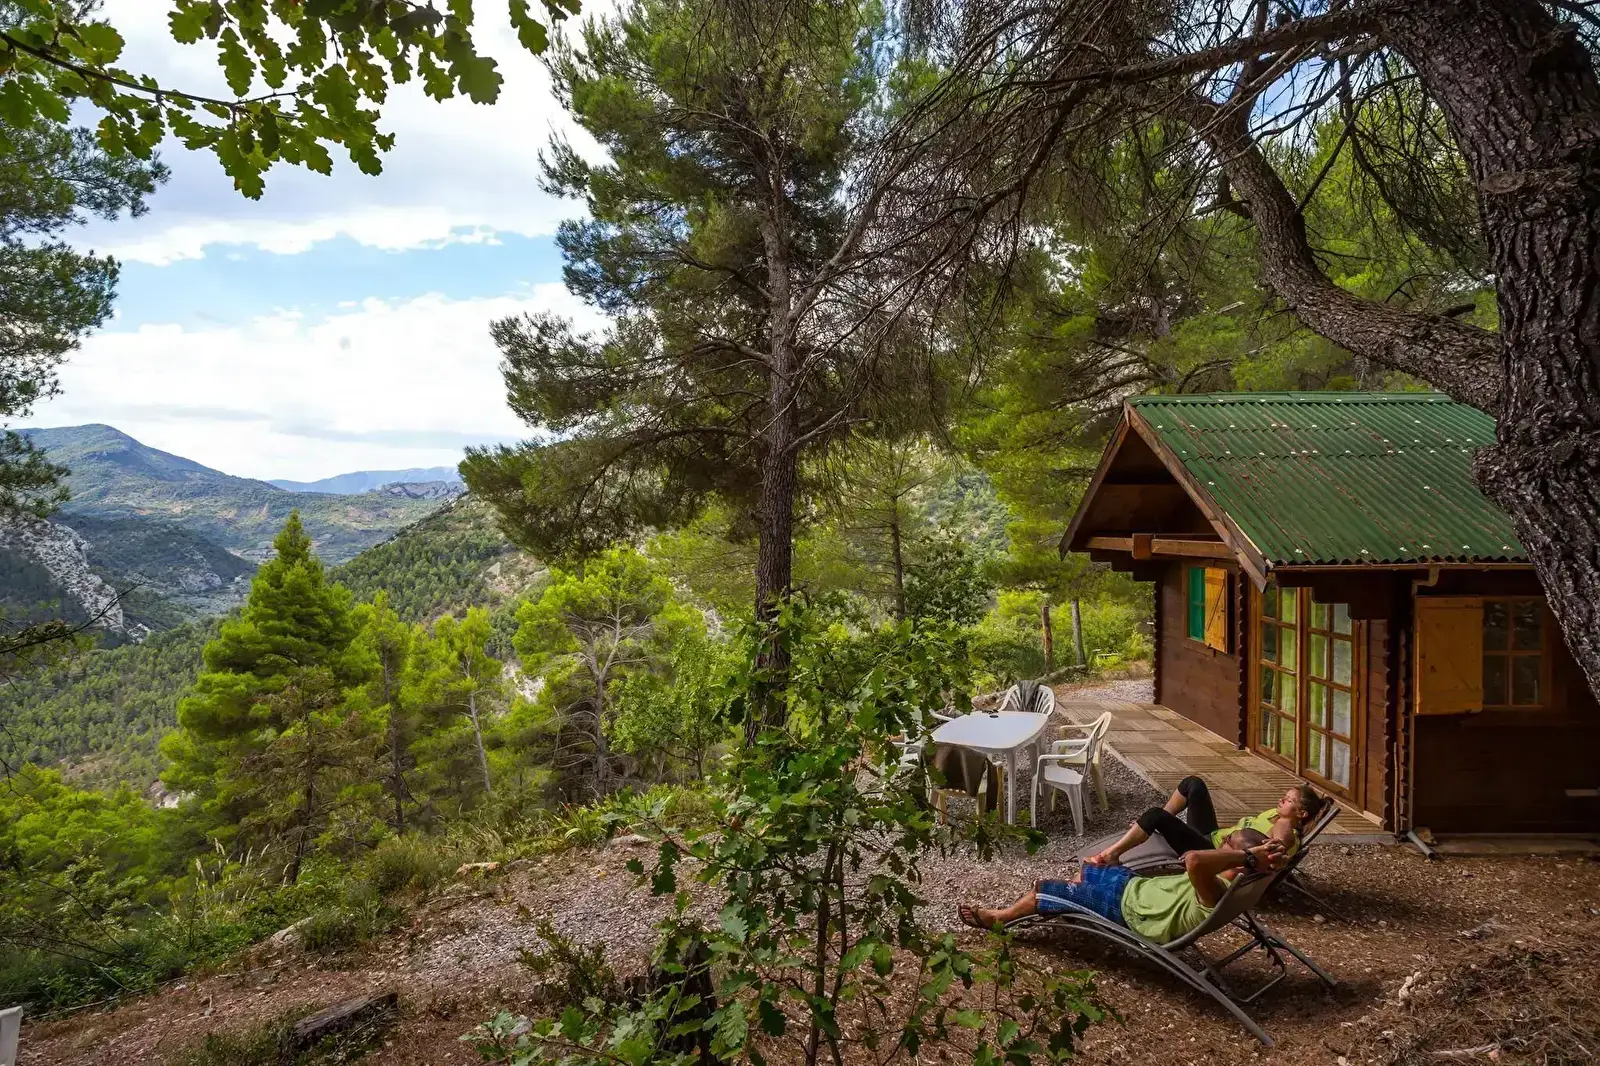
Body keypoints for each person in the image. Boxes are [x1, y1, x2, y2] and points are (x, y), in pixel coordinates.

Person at [958, 828, 1285, 943]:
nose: (1221, 843)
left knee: (1042, 887)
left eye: (1227, 843)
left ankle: (999, 918)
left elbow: (1195, 860)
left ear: (1240, 860)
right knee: (1090, 866)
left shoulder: (1214, 889)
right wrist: (1256, 857)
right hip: (1136, 891)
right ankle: (1079, 902)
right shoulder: (1231, 882)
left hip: (1132, 911)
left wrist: (1247, 855)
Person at [1087, 776, 1325, 868]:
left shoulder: (1284, 830)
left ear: (1302, 814)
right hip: (1212, 835)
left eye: (1288, 800)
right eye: (1284, 796)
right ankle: (1159, 823)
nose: (1281, 800)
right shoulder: (1278, 815)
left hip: (1211, 851)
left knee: (1154, 815)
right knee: (1194, 784)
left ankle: (1111, 855)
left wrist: (1207, 856)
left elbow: (1278, 847)